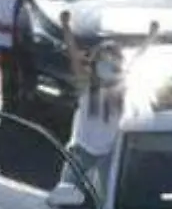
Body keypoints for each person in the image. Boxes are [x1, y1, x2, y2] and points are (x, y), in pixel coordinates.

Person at [58, 13, 158, 194]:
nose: (107, 65)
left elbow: (138, 58)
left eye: (112, 61)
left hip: (110, 153)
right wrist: (65, 25)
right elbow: (73, 54)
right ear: (96, 63)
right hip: (82, 150)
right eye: (104, 60)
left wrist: (151, 35)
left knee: (109, 199)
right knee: (65, 193)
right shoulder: (86, 84)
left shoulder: (121, 86)